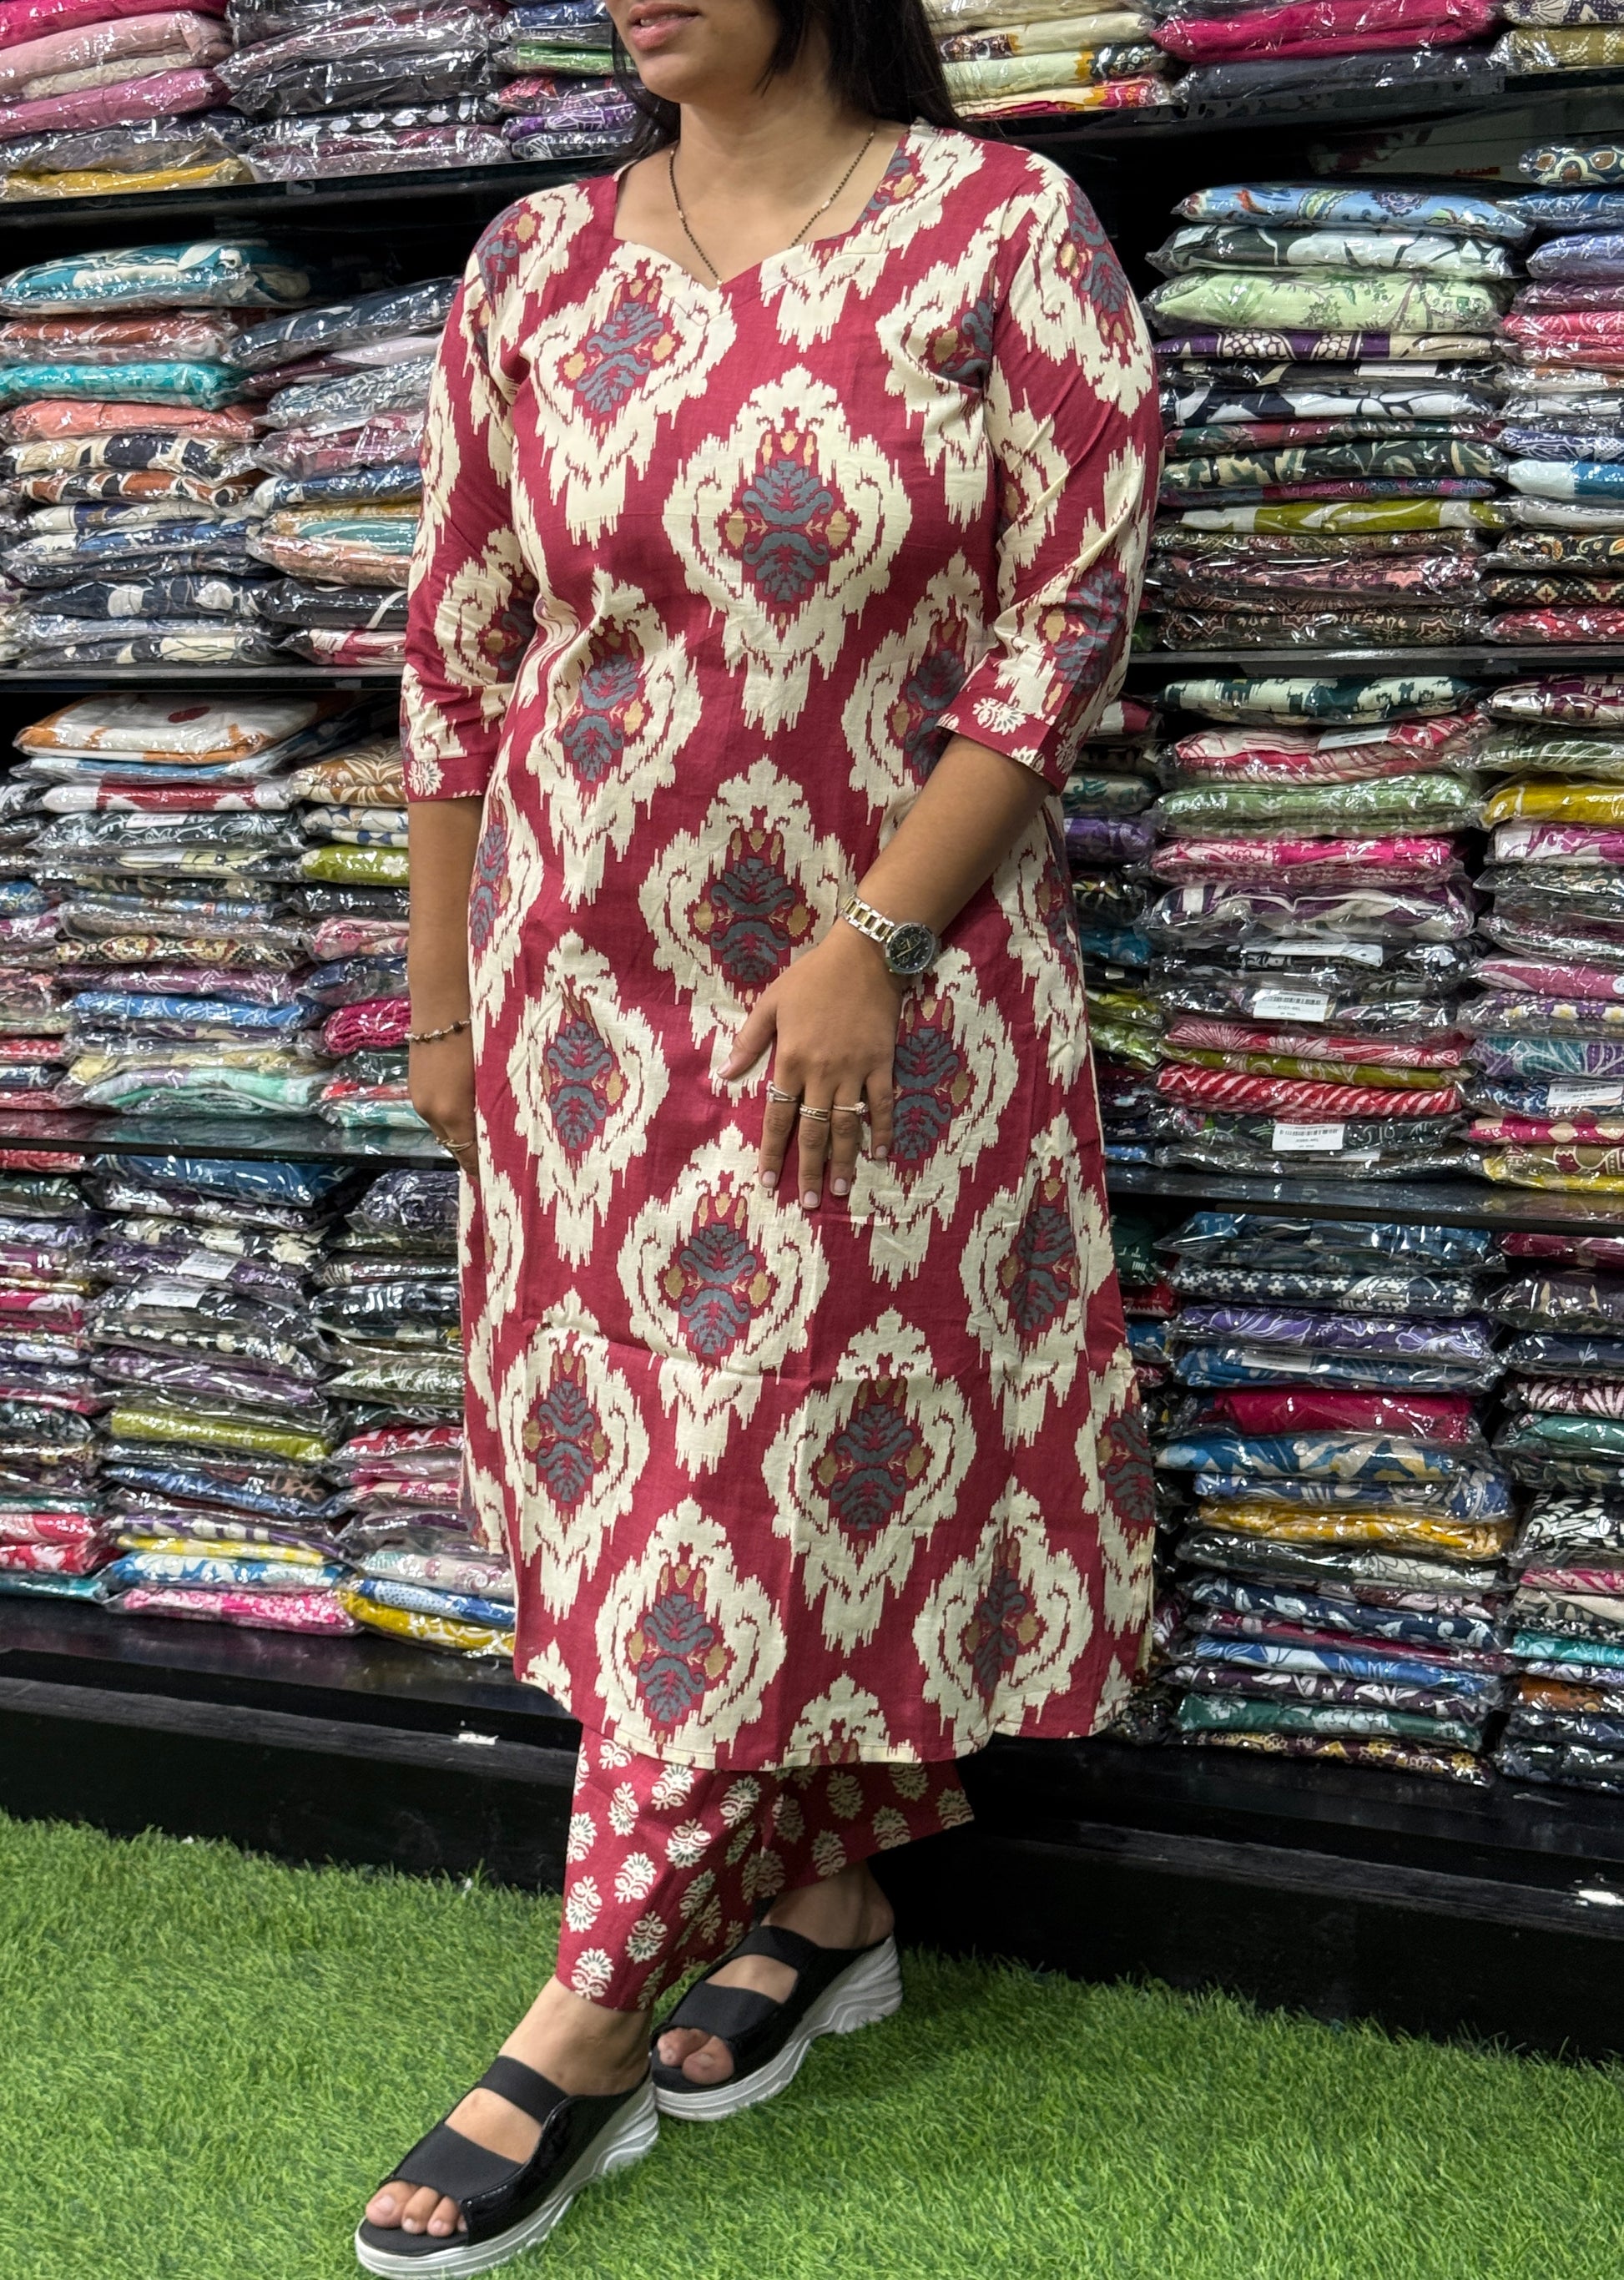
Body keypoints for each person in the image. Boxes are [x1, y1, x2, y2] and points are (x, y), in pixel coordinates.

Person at [359, 0, 1162, 2267]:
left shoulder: (1001, 228)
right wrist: (444, 992)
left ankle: (587, 2012)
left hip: (882, 1010)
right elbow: (463, 646)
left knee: (757, 1465)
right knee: (649, 1472)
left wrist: (877, 938)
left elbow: (1065, 620)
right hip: (582, 1011)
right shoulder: (532, 262)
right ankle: (821, 1904)